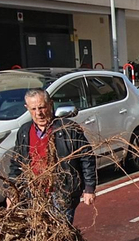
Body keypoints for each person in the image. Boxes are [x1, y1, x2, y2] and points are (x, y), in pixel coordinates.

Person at [7, 89, 96, 223]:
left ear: (50, 104)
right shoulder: (24, 132)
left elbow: (86, 157)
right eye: (33, 109)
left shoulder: (68, 128)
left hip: (62, 192)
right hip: (34, 193)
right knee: (39, 232)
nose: (39, 113)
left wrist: (89, 188)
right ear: (27, 108)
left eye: (42, 107)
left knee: (60, 231)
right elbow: (17, 163)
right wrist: (12, 193)